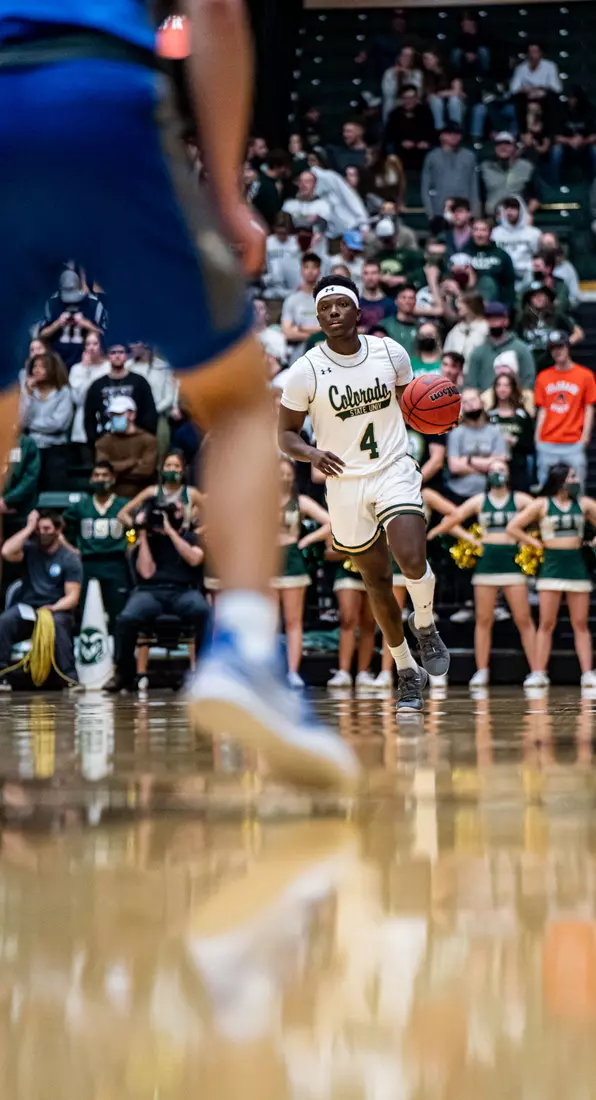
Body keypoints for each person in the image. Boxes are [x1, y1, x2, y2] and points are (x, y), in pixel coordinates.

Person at [0, 0, 358, 791]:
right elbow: (221, 10)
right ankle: (245, 651)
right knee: (238, 405)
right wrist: (226, 192)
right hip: (97, 92)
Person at [279, 274, 451, 714]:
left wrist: (437, 416)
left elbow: (412, 403)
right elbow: (284, 435)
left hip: (394, 467)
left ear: (359, 312)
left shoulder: (390, 352)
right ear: (317, 318)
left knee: (411, 556)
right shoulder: (305, 370)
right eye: (324, 308)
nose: (333, 312)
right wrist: (312, 455)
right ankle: (406, 671)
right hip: (344, 481)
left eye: (340, 305)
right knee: (376, 582)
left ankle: (425, 623)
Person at [507, 464, 596, 689]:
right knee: (547, 623)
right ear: (559, 480)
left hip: (576, 565)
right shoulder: (542, 504)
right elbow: (513, 527)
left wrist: (595, 541)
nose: (576, 479)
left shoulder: (584, 503)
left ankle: (587, 673)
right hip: (552, 566)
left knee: (580, 623)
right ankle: (538, 672)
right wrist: (535, 543)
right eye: (572, 476)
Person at [429, 455, 535, 687]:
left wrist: (529, 540)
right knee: (483, 619)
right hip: (486, 563)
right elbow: (452, 519)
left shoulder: (520, 499)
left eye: (502, 469)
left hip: (512, 562)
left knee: (523, 618)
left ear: (509, 474)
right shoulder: (479, 500)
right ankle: (482, 670)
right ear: (488, 476)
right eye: (494, 470)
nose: (499, 473)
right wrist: (470, 539)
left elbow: (542, 514)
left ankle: (537, 671)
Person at [105, 497, 209, 694]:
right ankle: (124, 673)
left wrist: (170, 532)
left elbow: (195, 559)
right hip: (150, 591)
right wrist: (143, 534)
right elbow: (146, 572)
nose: (170, 513)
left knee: (203, 612)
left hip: (183, 591)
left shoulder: (191, 537)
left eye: (176, 509)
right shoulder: (147, 540)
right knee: (126, 619)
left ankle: (201, 672)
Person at [0, 509, 82, 688]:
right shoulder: (30, 549)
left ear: (58, 530)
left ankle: (69, 677)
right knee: (4, 621)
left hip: (56, 609)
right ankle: (3, 674)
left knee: (57, 623)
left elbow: (73, 597)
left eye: (46, 529)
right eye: (39, 529)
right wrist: (29, 528)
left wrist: (53, 608)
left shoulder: (70, 559)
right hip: (29, 609)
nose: (42, 533)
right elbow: (6, 552)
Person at [272, 458, 331, 690]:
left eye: (288, 474)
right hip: (268, 561)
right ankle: (270, 671)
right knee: (268, 622)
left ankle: (292, 672)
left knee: (293, 621)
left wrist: (306, 540)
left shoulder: (301, 501)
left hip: (293, 560)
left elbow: (330, 522)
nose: (284, 478)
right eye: (280, 473)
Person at [63, 461, 131, 629]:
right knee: (86, 611)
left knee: (118, 613)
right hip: (88, 564)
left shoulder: (124, 505)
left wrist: (131, 542)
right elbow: (57, 527)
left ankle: (118, 653)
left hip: (116, 564)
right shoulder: (81, 506)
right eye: (97, 475)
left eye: (105, 475)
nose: (101, 479)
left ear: (113, 479)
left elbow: (133, 530)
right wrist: (71, 549)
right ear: (91, 479)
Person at [534, 331, 596, 490]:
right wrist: (537, 436)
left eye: (560, 347)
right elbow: (542, 409)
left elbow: (589, 408)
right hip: (547, 440)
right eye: (553, 348)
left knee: (576, 487)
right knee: (545, 487)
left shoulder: (585, 375)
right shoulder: (543, 376)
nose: (557, 351)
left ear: (568, 347)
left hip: (573, 440)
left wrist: (585, 436)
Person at [19, 350, 73, 493]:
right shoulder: (28, 392)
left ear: (51, 369)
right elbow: (21, 422)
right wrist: (29, 396)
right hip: (32, 448)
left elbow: (59, 424)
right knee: (31, 488)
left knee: (55, 489)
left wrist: (33, 425)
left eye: (42, 366)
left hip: (56, 449)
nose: (37, 370)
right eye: (35, 366)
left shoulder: (64, 392)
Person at [464, 303, 536, 409]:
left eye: (497, 318)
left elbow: (528, 380)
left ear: (506, 321)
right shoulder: (478, 352)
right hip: (486, 406)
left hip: (516, 404)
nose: (494, 322)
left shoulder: (521, 349)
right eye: (490, 318)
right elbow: (471, 384)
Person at [84, 344, 157, 444]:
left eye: (121, 352)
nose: (117, 356)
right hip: (107, 441)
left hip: (135, 440)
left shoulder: (139, 382)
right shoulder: (97, 385)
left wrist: (144, 437)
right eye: (113, 352)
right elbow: (89, 416)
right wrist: (94, 441)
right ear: (107, 356)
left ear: (126, 355)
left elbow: (149, 412)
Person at [445, 391, 507, 504]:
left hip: (489, 494)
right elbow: (454, 466)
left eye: (473, 400)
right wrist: (486, 468)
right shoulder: (456, 433)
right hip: (459, 493)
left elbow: (500, 462)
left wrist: (469, 460)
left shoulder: (495, 431)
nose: (470, 404)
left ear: (482, 403)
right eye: (465, 402)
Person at [119, 449, 205, 531]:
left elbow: (215, 518)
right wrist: (139, 528)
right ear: (162, 469)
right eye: (168, 465)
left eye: (177, 466)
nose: (172, 469)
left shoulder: (192, 493)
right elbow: (122, 514)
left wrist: (196, 533)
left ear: (183, 470)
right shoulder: (151, 491)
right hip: (155, 541)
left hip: (182, 541)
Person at [326, 557, 377, 690]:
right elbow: (329, 553)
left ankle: (363, 673)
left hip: (375, 572)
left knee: (370, 623)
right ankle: (343, 672)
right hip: (347, 571)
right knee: (348, 620)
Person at [38, 268, 107, 368]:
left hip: (85, 363)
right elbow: (41, 335)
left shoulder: (93, 305)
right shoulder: (52, 304)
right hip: (57, 364)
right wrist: (57, 324)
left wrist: (86, 325)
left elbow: (104, 334)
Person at [94, 395, 158, 501]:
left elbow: (146, 470)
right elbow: (104, 469)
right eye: (113, 415)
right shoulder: (103, 442)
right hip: (111, 498)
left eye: (119, 414)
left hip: (142, 497)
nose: (115, 418)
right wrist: (133, 462)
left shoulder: (148, 440)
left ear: (132, 415)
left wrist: (116, 471)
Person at [516, 285, 583, 374]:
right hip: (529, 364)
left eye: (542, 295)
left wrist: (563, 345)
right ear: (529, 299)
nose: (539, 298)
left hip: (552, 364)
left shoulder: (557, 316)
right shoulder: (522, 319)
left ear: (548, 298)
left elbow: (579, 333)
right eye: (535, 295)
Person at [421, 126, 480, 226]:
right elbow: (425, 187)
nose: (454, 136)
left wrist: (474, 212)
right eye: (449, 133)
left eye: (457, 133)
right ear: (442, 136)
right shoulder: (432, 157)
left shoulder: (469, 156)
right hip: (439, 211)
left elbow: (474, 186)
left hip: (464, 211)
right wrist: (430, 213)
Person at [485, 374, 535, 491]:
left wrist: (514, 440)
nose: (502, 389)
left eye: (506, 385)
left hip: (518, 466)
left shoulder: (522, 415)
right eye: (499, 385)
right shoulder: (489, 415)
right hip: (495, 466)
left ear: (512, 388)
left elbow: (530, 445)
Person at [68, 332, 109, 463]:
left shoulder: (108, 367)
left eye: (95, 344)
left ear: (101, 346)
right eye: (88, 344)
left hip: (107, 426)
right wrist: (86, 370)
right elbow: (78, 399)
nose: (91, 347)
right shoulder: (77, 370)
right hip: (82, 429)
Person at [551, 85, 596, 184]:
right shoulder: (561, 110)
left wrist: (582, 141)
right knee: (556, 150)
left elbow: (595, 136)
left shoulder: (590, 110)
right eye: (570, 98)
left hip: (585, 145)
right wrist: (570, 140)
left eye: (574, 98)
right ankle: (554, 183)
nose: (572, 100)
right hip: (567, 146)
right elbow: (556, 137)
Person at [509, 42, 562, 133]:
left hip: (545, 99)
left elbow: (557, 87)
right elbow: (514, 88)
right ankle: (524, 133)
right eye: (530, 52)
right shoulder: (521, 68)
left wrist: (539, 88)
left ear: (541, 53)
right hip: (526, 99)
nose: (533, 55)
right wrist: (527, 90)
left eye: (535, 52)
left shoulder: (550, 66)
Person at [480, 133, 537, 217]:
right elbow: (479, 197)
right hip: (491, 218)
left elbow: (535, 197)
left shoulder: (526, 167)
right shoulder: (485, 168)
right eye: (499, 144)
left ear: (514, 147)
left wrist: (526, 216)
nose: (503, 147)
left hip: (517, 220)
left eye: (507, 144)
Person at [383, 84, 436, 173]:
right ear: (401, 99)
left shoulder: (425, 112)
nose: (409, 101)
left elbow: (431, 132)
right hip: (401, 148)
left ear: (416, 98)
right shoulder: (394, 114)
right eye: (405, 98)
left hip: (421, 148)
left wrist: (426, 141)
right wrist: (401, 142)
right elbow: (389, 134)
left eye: (411, 98)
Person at [464, 219, 515, 310]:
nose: (479, 234)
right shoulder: (463, 254)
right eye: (476, 230)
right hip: (467, 299)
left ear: (490, 233)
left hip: (495, 303)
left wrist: (508, 307)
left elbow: (509, 285)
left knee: (487, 281)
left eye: (483, 230)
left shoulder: (502, 255)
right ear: (472, 232)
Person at [281, 253, 323, 363]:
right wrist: (312, 335)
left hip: (323, 347)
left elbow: (327, 328)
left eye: (314, 267)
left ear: (319, 270)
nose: (310, 271)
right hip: (299, 352)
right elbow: (287, 332)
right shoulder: (291, 300)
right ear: (301, 270)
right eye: (306, 267)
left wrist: (299, 328)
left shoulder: (325, 298)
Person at [491, 196, 541, 287]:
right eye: (506, 208)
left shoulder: (534, 233)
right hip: (502, 278)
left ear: (521, 210)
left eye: (513, 208)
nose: (509, 211)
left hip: (527, 277)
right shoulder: (495, 233)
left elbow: (538, 257)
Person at [282, 169, 331, 235]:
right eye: (301, 181)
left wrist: (296, 217)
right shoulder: (289, 204)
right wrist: (309, 218)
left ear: (315, 184)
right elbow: (282, 224)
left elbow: (325, 227)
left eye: (307, 181)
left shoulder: (324, 205)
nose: (303, 185)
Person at [443, 293, 489, 362]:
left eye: (462, 302)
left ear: (471, 305)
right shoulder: (455, 330)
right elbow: (446, 355)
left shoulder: (485, 328)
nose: (458, 306)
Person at [381, 47, 424, 120]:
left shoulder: (417, 73)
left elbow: (418, 91)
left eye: (409, 57)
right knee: (389, 103)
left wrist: (407, 76)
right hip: (394, 99)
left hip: (411, 100)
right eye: (403, 56)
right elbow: (387, 92)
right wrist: (396, 78)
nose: (406, 59)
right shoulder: (389, 72)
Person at [382, 285, 421, 357]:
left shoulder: (421, 328)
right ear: (396, 301)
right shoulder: (384, 326)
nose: (407, 301)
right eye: (403, 297)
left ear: (415, 301)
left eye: (411, 298)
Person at [358, 260, 397, 331]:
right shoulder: (356, 304)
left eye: (373, 273)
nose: (369, 277)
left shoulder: (390, 304)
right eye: (366, 273)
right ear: (362, 276)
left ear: (380, 275)